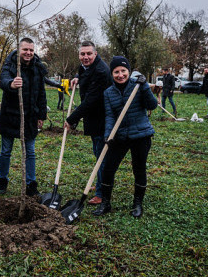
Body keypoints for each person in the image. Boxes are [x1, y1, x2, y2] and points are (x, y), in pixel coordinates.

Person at [92, 56, 158, 217]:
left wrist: (145, 87)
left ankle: (137, 204)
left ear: (128, 71)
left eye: (123, 71)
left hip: (141, 135)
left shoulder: (138, 86)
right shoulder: (108, 92)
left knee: (139, 169)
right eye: (116, 72)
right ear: (112, 73)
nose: (120, 74)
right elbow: (109, 116)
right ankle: (106, 204)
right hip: (120, 136)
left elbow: (152, 105)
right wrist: (108, 135)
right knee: (108, 169)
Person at [0, 37, 47, 196]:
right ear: (19, 50)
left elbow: (41, 93)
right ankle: (2, 182)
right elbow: (3, 80)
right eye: (25, 49)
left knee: (30, 152)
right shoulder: (10, 64)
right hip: (10, 115)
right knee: (6, 151)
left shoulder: (38, 67)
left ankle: (31, 184)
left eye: (31, 50)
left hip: (30, 116)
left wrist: (41, 115)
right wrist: (11, 84)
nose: (28, 53)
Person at [64, 41, 112, 205]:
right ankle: (99, 183)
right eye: (82, 54)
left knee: (101, 155)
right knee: (97, 151)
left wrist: (71, 119)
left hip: (103, 117)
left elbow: (91, 100)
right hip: (93, 117)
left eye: (88, 54)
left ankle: (101, 193)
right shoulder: (86, 67)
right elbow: (82, 72)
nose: (85, 57)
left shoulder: (100, 71)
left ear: (95, 54)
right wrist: (76, 77)